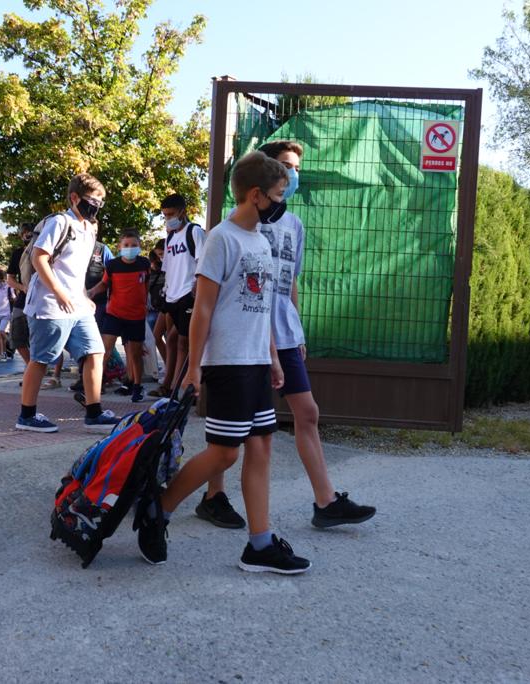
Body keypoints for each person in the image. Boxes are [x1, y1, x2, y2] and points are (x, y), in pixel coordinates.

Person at [136, 151, 311, 574]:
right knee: (224, 454)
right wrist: (194, 366)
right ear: (255, 195)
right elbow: (203, 310)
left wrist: (272, 357)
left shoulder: (261, 243)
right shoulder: (221, 239)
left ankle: (260, 543)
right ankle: (157, 509)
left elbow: (264, 307)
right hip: (227, 362)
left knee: (262, 446)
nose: (280, 203)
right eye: (276, 195)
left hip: (255, 359)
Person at [198, 140, 377, 529]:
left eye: (296, 168)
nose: (291, 175)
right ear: (261, 179)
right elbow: (214, 294)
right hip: (246, 331)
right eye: (284, 166)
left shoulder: (294, 225)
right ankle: (214, 495)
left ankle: (326, 502)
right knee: (231, 426)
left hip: (282, 331)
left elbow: (290, 281)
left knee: (306, 413)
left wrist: (296, 328)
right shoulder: (240, 221)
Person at [15, 173, 122, 432]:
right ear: (74, 197)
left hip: (77, 305)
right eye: (93, 199)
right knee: (41, 359)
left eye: (101, 201)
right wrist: (60, 292)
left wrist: (83, 295)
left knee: (95, 352)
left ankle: (94, 412)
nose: (97, 205)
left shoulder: (90, 228)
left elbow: (75, 269)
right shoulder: (60, 222)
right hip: (49, 305)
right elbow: (39, 258)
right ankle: (27, 416)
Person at [149, 194, 206, 398]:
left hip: (187, 295)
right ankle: (169, 384)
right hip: (171, 297)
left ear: (182, 211)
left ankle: (176, 390)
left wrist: (196, 291)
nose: (168, 218)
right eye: (165, 215)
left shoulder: (195, 232)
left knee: (182, 342)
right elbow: (168, 268)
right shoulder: (171, 237)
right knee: (167, 337)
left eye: (171, 214)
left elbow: (202, 262)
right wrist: (164, 293)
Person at [89, 229, 151, 402]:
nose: (130, 248)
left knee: (135, 353)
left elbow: (145, 286)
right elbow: (104, 284)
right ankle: (95, 386)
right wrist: (92, 292)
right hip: (114, 313)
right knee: (103, 351)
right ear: (119, 246)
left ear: (139, 246)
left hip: (136, 316)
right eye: (126, 245)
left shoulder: (144, 264)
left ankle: (137, 387)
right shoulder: (113, 265)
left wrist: (145, 304)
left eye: (134, 245)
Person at [69, 237, 114, 394]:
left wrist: (93, 293)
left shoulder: (102, 250)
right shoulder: (74, 246)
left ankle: (98, 381)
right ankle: (85, 378)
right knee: (80, 345)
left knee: (95, 345)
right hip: (75, 304)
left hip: (98, 304)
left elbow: (111, 275)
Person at [6, 223, 35, 364]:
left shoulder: (43, 250)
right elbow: (9, 279)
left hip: (41, 300)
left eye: (30, 233)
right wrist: (22, 287)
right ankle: (31, 367)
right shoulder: (18, 253)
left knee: (40, 338)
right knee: (16, 337)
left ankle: (53, 374)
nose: (27, 236)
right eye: (24, 233)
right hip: (23, 299)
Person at [146, 240, 168, 382]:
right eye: (156, 256)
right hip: (154, 309)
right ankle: (168, 366)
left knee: (170, 338)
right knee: (156, 337)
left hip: (166, 307)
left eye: (161, 255)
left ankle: (170, 368)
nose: (158, 260)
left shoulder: (169, 268)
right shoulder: (150, 271)